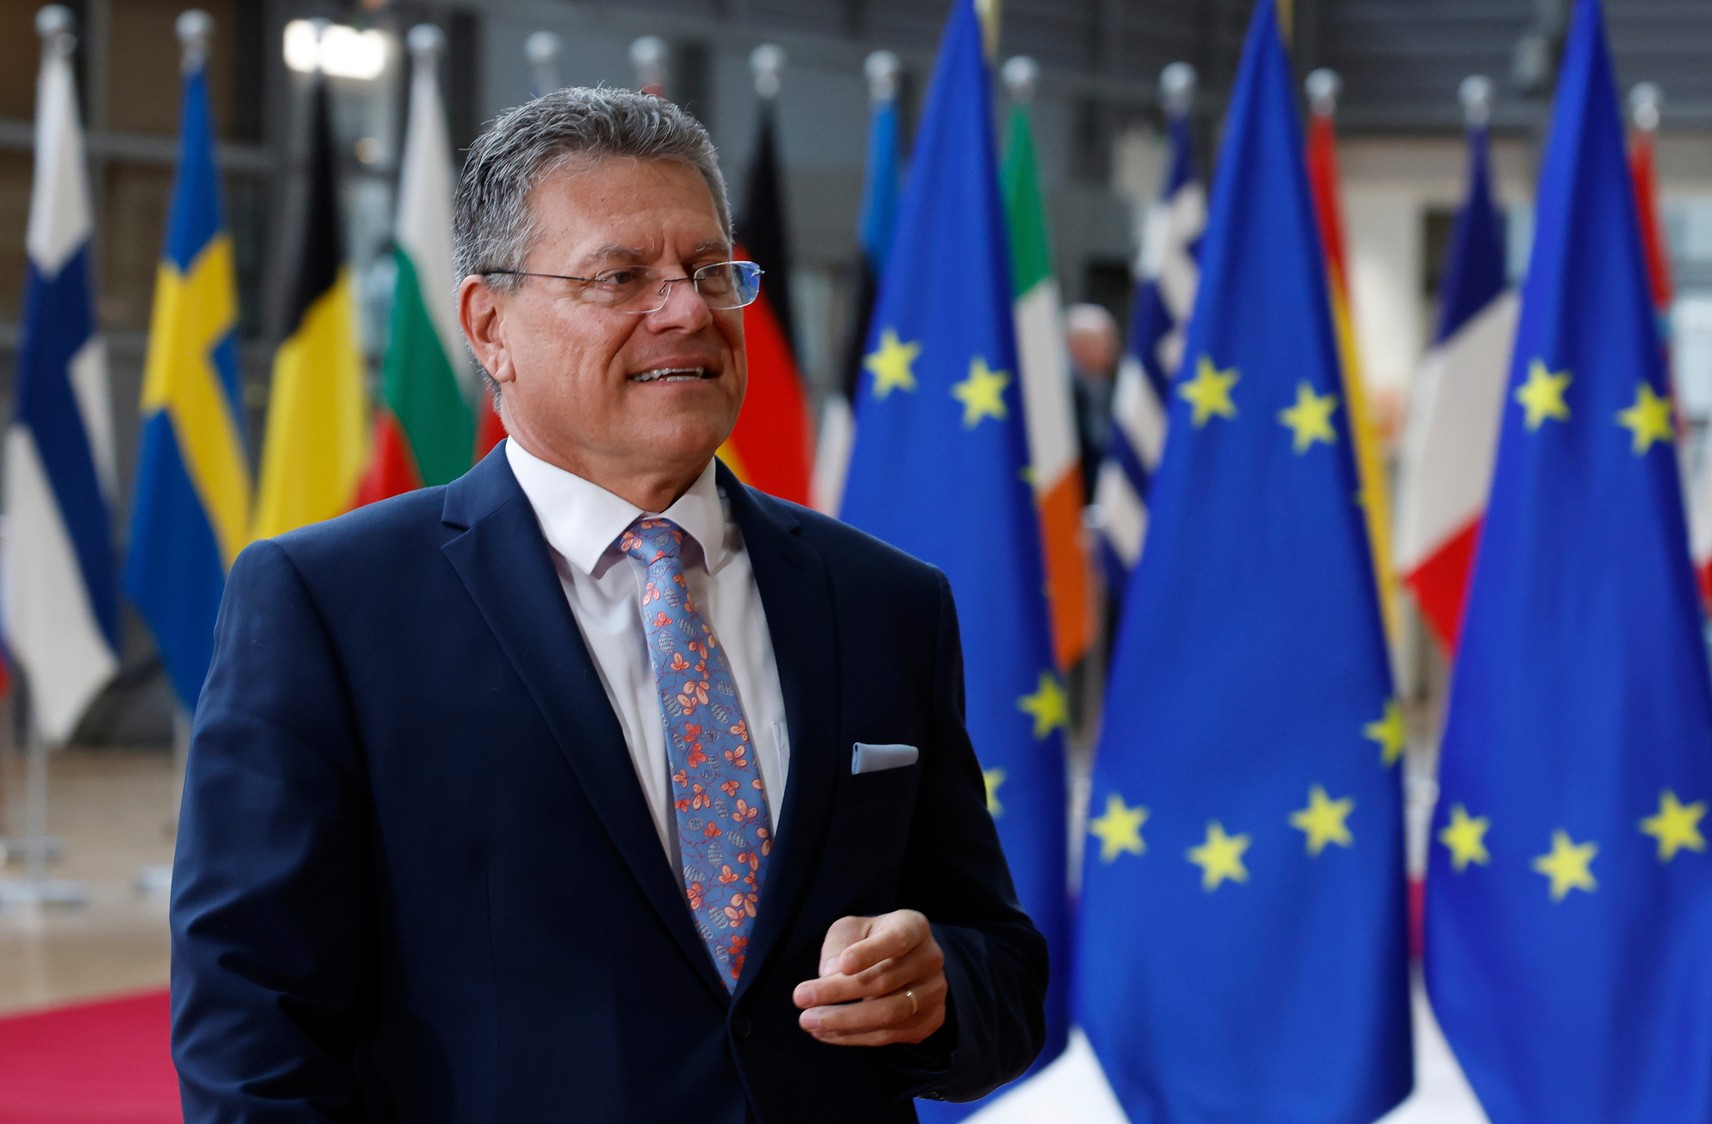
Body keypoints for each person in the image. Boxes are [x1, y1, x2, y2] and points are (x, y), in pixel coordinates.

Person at [169, 88, 1047, 1122]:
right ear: (489, 325)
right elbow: (252, 1030)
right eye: (621, 277)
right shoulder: (329, 606)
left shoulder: (885, 601)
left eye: (711, 270)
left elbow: (1000, 970)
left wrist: (937, 990)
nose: (687, 310)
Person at [1064, 302, 1119, 501]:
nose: (1112, 347)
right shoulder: (1061, 392)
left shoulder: (1103, 387)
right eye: (1105, 339)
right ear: (1077, 344)